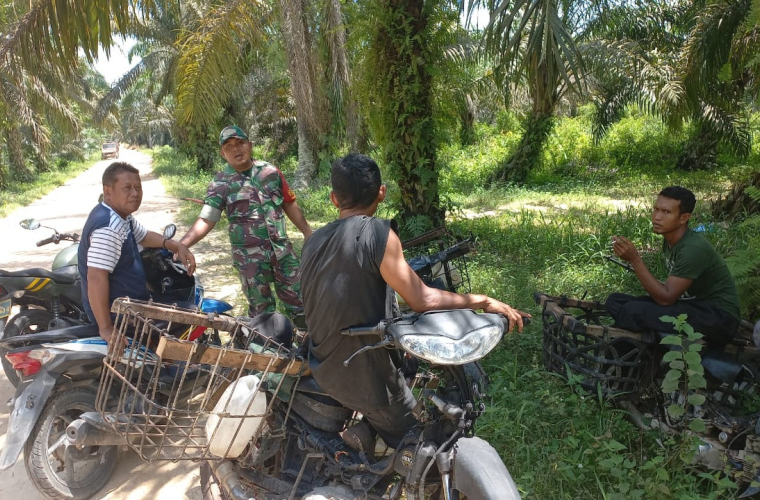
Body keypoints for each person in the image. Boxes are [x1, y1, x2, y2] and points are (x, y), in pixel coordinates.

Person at [299, 153, 528, 449]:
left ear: (333, 199)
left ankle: (368, 432)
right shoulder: (378, 233)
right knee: (422, 448)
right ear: (381, 192)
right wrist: (483, 301)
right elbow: (422, 299)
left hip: (323, 364)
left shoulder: (313, 241)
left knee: (403, 363)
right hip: (364, 378)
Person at [180, 125, 312, 318]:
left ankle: (307, 345)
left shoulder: (271, 173)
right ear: (222, 153)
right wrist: (182, 244)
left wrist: (307, 232)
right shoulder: (220, 184)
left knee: (301, 305)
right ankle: (267, 347)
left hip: (283, 254)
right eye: (229, 146)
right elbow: (207, 219)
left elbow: (289, 204)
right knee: (261, 313)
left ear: (250, 145)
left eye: (240, 143)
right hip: (250, 262)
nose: (236, 149)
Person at [79, 162, 197, 347]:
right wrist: (106, 328)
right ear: (108, 191)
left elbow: (143, 235)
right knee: (193, 314)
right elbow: (96, 279)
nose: (135, 193)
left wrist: (174, 245)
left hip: (133, 302)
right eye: (127, 188)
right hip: (123, 313)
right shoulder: (108, 228)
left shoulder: (118, 215)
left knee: (178, 304)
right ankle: (164, 368)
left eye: (138, 187)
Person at [605, 185, 740, 345]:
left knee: (632, 311)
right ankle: (649, 351)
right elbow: (670, 291)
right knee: (616, 301)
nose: (657, 217)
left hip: (718, 317)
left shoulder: (693, 249)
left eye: (666, 212)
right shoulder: (670, 241)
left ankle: (617, 364)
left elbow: (666, 299)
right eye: (656, 209)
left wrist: (635, 260)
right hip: (693, 305)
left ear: (684, 218)